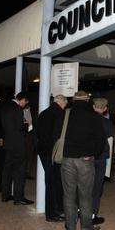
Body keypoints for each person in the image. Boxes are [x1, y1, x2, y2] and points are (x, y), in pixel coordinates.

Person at [61, 91, 106, 230]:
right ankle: (86, 227)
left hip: (67, 159)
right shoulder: (94, 117)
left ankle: (70, 227)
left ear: (73, 100)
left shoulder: (66, 114)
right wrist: (93, 153)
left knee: (68, 194)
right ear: (87, 101)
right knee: (85, 195)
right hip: (85, 160)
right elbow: (101, 141)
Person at [35, 94, 67, 222]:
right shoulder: (59, 114)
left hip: (43, 151)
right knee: (54, 183)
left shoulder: (44, 113)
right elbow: (57, 135)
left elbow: (38, 133)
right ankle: (52, 213)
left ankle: (55, 210)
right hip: (53, 153)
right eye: (65, 105)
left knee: (51, 181)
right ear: (62, 103)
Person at [0, 91, 34, 205]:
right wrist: (27, 125)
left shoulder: (5, 107)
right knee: (19, 171)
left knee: (7, 170)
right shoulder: (18, 109)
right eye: (25, 102)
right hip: (18, 145)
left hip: (8, 144)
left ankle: (6, 195)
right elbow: (20, 127)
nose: (25, 104)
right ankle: (18, 198)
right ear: (22, 99)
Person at [91, 97, 113, 225]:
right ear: (105, 109)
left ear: (93, 107)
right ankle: (93, 214)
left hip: (86, 156)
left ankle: (79, 210)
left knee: (84, 184)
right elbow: (110, 135)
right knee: (97, 186)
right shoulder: (106, 122)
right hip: (100, 158)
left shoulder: (86, 120)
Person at [23, 103, 36, 180]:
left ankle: (27, 172)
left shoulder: (32, 111)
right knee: (24, 155)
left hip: (31, 136)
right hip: (25, 135)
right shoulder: (21, 111)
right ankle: (23, 172)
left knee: (30, 155)